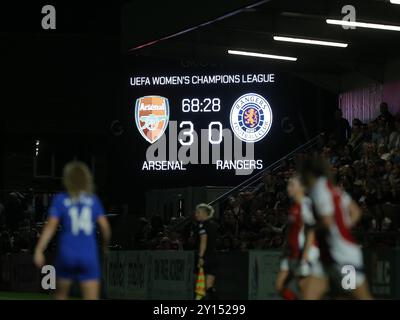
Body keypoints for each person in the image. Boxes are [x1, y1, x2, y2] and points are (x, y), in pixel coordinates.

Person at [33, 161, 111, 300]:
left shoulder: (61, 199)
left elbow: (50, 226)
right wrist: (105, 246)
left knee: (61, 295)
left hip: (67, 253)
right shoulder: (93, 200)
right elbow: (105, 227)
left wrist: (39, 249)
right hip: (88, 254)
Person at [299, 156, 373, 299]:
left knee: (358, 297)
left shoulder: (318, 190)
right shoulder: (332, 188)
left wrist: (312, 228)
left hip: (344, 255)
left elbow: (327, 222)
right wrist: (341, 228)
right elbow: (356, 212)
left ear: (309, 173)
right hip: (327, 255)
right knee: (308, 296)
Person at [275, 176, 323, 299]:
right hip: (292, 253)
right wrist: (286, 248)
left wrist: (305, 255)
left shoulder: (305, 204)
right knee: (279, 286)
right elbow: (291, 231)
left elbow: (311, 230)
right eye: (288, 184)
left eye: (292, 185)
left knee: (305, 291)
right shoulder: (294, 206)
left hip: (304, 253)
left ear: (302, 187)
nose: (288, 188)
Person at [194, 203, 218, 300]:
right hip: (214, 257)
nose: (196, 214)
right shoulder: (214, 224)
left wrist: (201, 257)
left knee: (200, 287)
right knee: (209, 287)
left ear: (205, 214)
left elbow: (203, 242)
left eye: (198, 212)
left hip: (205, 258)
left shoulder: (202, 226)